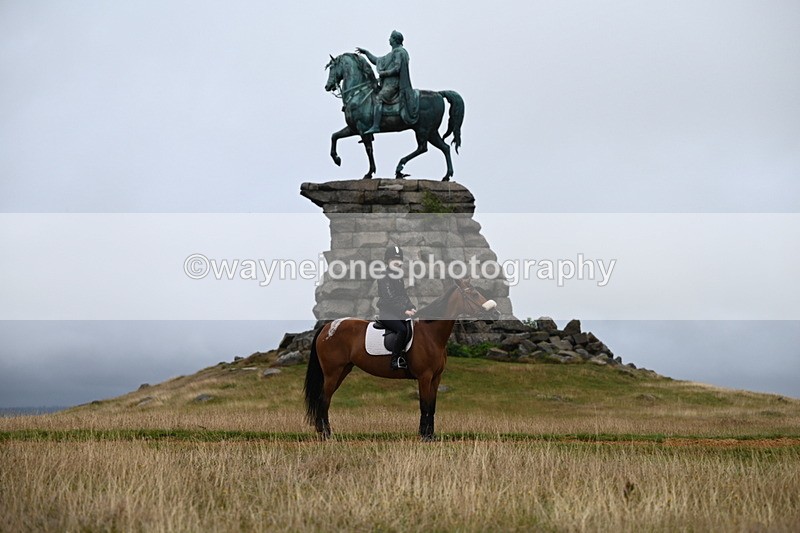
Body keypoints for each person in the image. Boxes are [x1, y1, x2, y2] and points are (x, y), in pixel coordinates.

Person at [356, 30, 418, 134]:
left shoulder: (400, 52)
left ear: (394, 40)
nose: (389, 39)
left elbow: (397, 68)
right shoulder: (392, 53)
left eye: (390, 37)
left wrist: (384, 73)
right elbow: (377, 60)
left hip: (393, 85)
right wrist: (366, 53)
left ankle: (376, 126)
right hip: (387, 84)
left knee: (378, 98)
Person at [376, 245, 416, 370]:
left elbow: (403, 295)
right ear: (387, 260)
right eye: (393, 259)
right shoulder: (384, 276)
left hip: (398, 312)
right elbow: (389, 298)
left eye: (398, 260)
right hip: (387, 313)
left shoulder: (398, 277)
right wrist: (403, 310)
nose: (397, 262)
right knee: (402, 330)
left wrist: (411, 306)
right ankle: (395, 360)